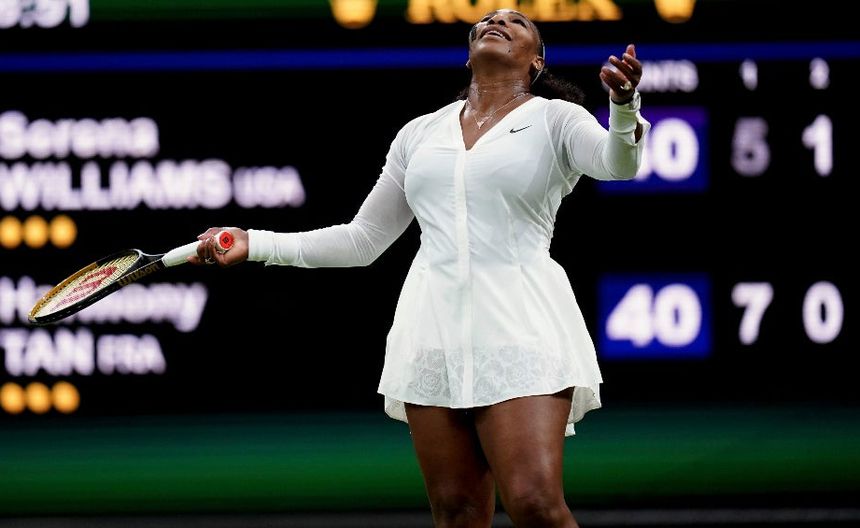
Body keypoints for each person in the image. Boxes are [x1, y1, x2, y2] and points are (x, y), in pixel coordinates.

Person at [193, 9, 648, 527]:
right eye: (486, 20)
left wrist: (624, 106)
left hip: (522, 328)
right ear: (469, 54)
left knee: (535, 504)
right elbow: (363, 240)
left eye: (516, 22)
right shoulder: (419, 133)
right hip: (431, 335)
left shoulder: (556, 119)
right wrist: (255, 242)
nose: (496, 22)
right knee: (456, 514)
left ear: (537, 62)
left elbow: (618, 164)